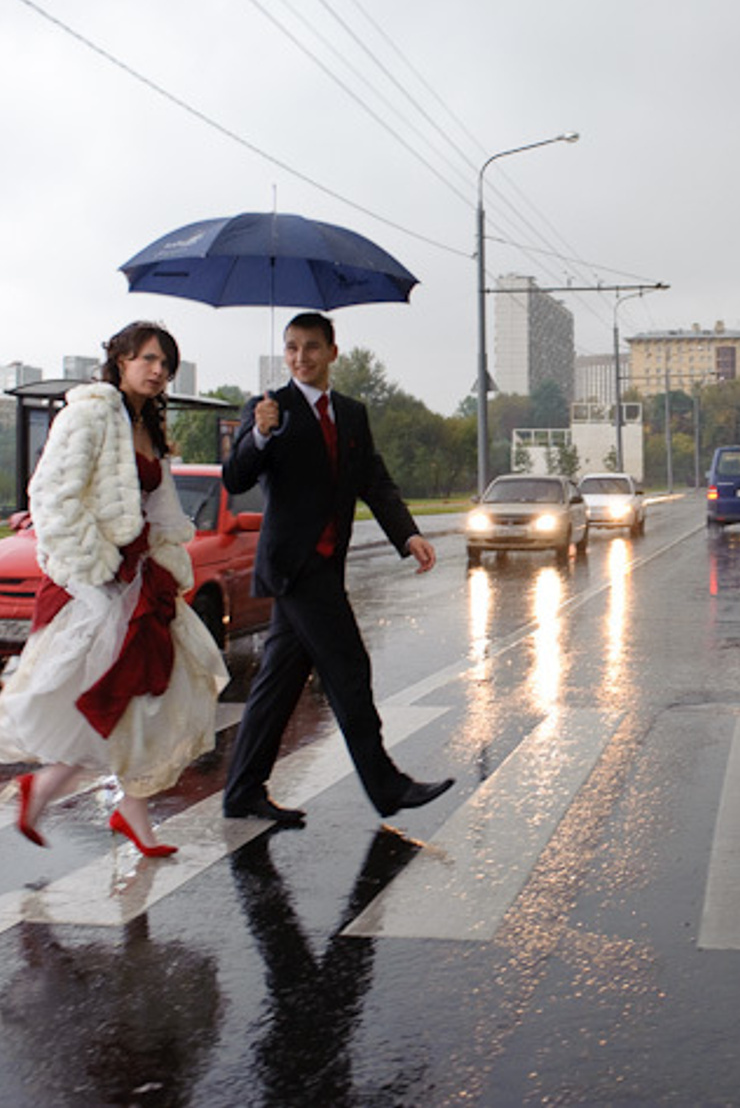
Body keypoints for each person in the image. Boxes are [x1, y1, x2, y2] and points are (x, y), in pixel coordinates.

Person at [1, 322, 229, 856]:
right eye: (148, 359)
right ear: (121, 359)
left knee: (152, 694)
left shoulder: (145, 421)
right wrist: (95, 564)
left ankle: (127, 806)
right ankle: (73, 793)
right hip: (96, 581)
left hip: (141, 577)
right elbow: (52, 495)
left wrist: (166, 558)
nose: (158, 371)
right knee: (108, 694)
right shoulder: (90, 412)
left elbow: (157, 508)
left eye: (165, 364)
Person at [221, 311, 454, 825]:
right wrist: (259, 436)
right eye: (291, 348)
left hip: (326, 565)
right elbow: (236, 476)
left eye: (310, 347)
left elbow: (374, 480)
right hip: (294, 567)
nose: (299, 358)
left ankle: (241, 792)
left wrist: (408, 533)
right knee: (349, 668)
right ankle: (386, 785)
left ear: (332, 352)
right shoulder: (269, 409)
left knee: (279, 683)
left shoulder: (350, 413)